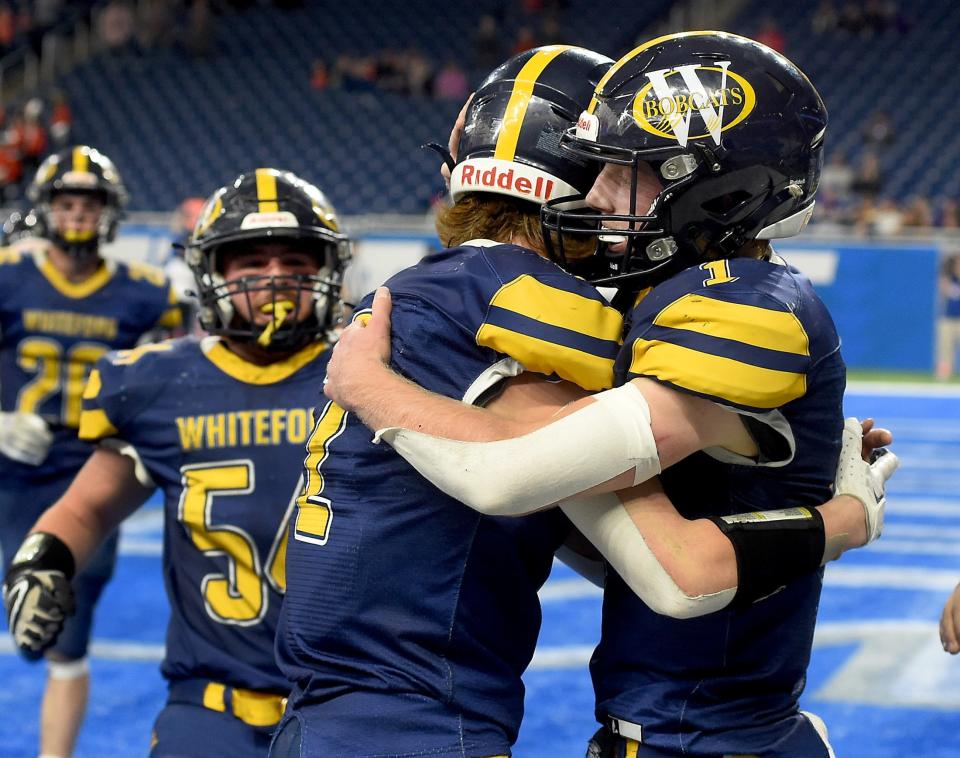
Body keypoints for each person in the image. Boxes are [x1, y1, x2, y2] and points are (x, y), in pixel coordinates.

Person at [274, 45, 894, 758]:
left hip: (698, 737)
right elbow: (618, 538)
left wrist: (370, 387)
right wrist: (832, 518)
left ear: (719, 189)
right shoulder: (619, 302)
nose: (594, 194)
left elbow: (650, 556)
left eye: (622, 168)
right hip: (557, 724)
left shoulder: (745, 302)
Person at [2, 168, 350, 757]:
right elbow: (86, 509)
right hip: (210, 701)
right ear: (212, 274)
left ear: (326, 270)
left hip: (350, 699)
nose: (276, 279)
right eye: (251, 264)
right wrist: (43, 560)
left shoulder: (369, 375)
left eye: (296, 261)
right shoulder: (158, 383)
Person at [0, 144, 181, 758]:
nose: (77, 215)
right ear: (46, 209)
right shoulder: (8, 276)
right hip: (7, 469)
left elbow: (187, 371)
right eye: (67, 202)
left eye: (89, 203)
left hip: (84, 479)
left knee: (59, 638)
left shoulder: (146, 293)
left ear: (110, 213)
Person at [935, 253, 960, 380]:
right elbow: (942, 287)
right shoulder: (950, 280)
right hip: (949, 320)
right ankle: (943, 377)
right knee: (945, 350)